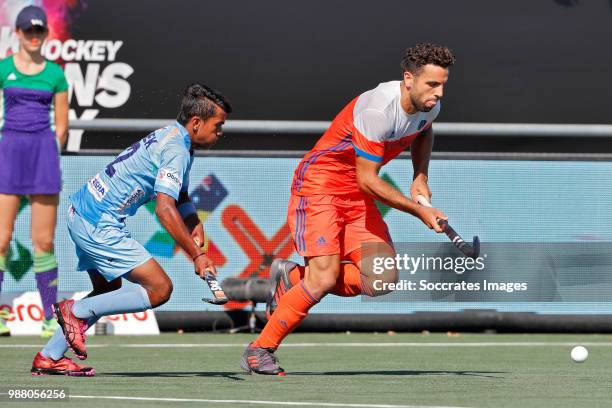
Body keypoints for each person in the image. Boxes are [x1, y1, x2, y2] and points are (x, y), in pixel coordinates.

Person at [241, 43, 455, 375]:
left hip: (356, 195)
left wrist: (419, 177)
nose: (439, 93)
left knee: (382, 278)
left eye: (443, 84)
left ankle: (292, 276)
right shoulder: (377, 111)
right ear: (408, 79)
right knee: (324, 278)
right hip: (320, 188)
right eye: (432, 84)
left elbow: (424, 131)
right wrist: (419, 211)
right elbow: (369, 180)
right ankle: (261, 349)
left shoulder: (428, 107)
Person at [30, 83, 232, 376]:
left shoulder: (175, 138)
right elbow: (164, 208)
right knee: (160, 289)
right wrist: (197, 255)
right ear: (197, 122)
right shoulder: (176, 148)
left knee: (107, 290)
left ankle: (50, 356)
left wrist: (193, 221)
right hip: (98, 222)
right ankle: (72, 311)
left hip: (82, 211)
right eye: (218, 125)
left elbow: (180, 196)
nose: (220, 132)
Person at [0, 6, 69, 338]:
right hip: (9, 153)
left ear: (45, 35)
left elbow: (62, 127)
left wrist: (48, 152)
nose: (33, 36)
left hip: (42, 155)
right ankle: (0, 314)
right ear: (18, 33)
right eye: (28, 31)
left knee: (43, 241)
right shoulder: (3, 69)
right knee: (0, 239)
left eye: (38, 31)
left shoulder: (56, 74)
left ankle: (49, 316)